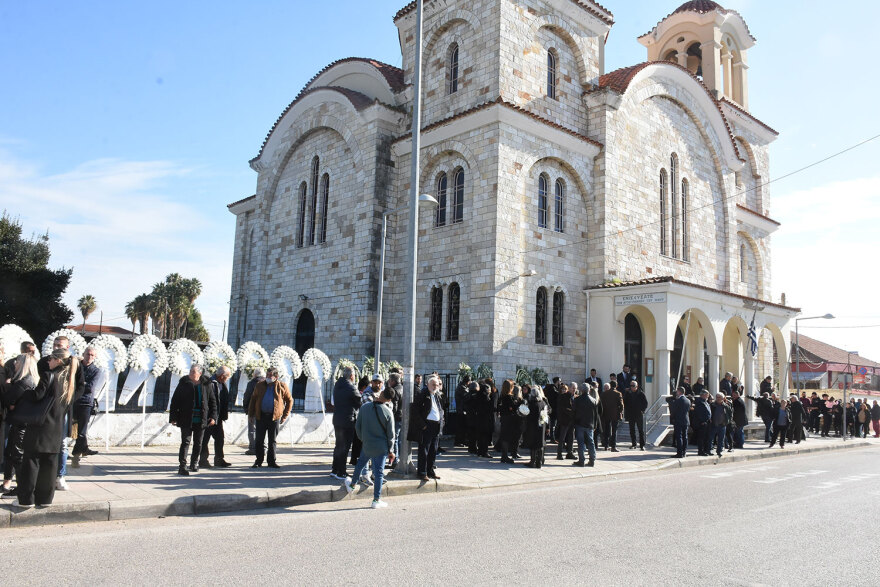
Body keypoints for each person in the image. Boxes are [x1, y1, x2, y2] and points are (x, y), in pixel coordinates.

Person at [14, 349, 79, 508]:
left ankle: (26, 500)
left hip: (40, 427)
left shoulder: (49, 376)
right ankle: (45, 499)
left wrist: (25, 392)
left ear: (58, 360)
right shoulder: (69, 380)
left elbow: (37, 395)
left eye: (50, 358)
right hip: (56, 429)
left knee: (31, 462)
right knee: (49, 465)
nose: (48, 361)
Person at [37, 335, 84, 492]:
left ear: (67, 347)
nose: (57, 347)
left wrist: (69, 400)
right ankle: (44, 475)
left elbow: (81, 386)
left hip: (63, 409)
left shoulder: (74, 363)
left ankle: (60, 476)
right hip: (46, 409)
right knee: (44, 442)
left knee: (62, 443)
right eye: (55, 344)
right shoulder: (45, 362)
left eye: (60, 345)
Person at [344, 386, 395, 509]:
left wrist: (364, 439)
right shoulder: (388, 412)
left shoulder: (364, 407)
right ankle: (376, 500)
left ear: (381, 393)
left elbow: (358, 427)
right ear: (389, 400)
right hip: (381, 447)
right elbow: (391, 435)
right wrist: (391, 450)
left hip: (367, 444)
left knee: (360, 464)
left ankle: (352, 486)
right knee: (379, 474)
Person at [1, 350, 39, 497]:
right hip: (25, 423)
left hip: (20, 424)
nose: (15, 363)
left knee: (17, 455)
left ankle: (22, 487)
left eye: (17, 361)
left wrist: (7, 386)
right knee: (13, 454)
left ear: (23, 364)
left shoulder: (22, 383)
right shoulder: (32, 381)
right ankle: (11, 484)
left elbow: (9, 402)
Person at [169, 365, 216, 475]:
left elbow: (212, 401)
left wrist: (213, 416)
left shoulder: (206, 384)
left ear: (200, 373)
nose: (190, 373)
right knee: (185, 442)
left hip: (201, 418)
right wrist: (173, 417)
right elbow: (175, 400)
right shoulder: (183, 383)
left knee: (198, 443)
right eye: (190, 371)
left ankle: (194, 463)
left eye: (193, 371)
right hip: (186, 417)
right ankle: (182, 465)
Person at [248, 367, 292, 468]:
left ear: (276, 376)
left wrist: (284, 415)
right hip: (261, 416)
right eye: (267, 375)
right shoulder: (259, 385)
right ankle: (258, 460)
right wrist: (251, 414)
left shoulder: (282, 386)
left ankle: (271, 461)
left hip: (274, 417)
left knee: (272, 440)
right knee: (259, 440)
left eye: (270, 375)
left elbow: (289, 400)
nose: (268, 377)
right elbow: (253, 399)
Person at [71, 346, 106, 467]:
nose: (89, 357)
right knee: (69, 429)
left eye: (92, 355)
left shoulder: (96, 370)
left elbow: (90, 387)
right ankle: (84, 449)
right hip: (72, 401)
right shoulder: (76, 366)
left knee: (81, 431)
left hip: (85, 402)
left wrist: (78, 384)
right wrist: (82, 384)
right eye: (88, 354)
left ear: (95, 357)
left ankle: (76, 456)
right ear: (83, 354)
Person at [330, 367, 361, 480]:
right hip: (347, 420)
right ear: (352, 376)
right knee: (345, 447)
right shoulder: (351, 387)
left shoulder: (338, 385)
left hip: (337, 419)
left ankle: (335, 469)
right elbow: (359, 402)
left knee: (338, 446)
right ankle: (341, 472)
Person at [411, 375, 443, 481]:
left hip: (436, 426)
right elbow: (415, 411)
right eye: (433, 385)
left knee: (433, 450)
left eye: (437, 385)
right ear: (428, 384)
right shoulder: (423, 394)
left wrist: (441, 422)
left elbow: (440, 409)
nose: (435, 387)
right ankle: (422, 472)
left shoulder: (437, 395)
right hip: (427, 425)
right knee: (424, 450)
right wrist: (423, 425)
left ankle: (430, 471)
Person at [199, 366, 232, 468]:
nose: (227, 379)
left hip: (219, 417)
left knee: (220, 438)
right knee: (205, 439)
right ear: (222, 376)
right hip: (209, 417)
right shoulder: (210, 383)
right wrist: (211, 415)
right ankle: (203, 460)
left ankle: (219, 459)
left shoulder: (222, 384)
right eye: (227, 377)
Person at [572, 383, 599, 467]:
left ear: (581, 390)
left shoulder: (577, 400)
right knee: (591, 442)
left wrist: (574, 423)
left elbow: (574, 412)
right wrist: (595, 425)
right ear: (589, 390)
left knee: (580, 442)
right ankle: (592, 460)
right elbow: (596, 415)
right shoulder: (593, 400)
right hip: (590, 424)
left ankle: (581, 460)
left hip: (579, 423)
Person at [522, 385, 548, 468]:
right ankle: (539, 462)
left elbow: (528, 415)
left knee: (533, 444)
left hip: (533, 426)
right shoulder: (543, 403)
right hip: (542, 425)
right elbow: (545, 415)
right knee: (540, 443)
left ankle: (532, 461)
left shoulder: (532, 403)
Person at [497, 380, 522, 463]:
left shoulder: (502, 396)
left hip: (504, 418)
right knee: (506, 437)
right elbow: (513, 407)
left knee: (504, 437)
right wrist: (518, 403)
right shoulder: (509, 397)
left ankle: (504, 456)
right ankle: (504, 456)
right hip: (509, 419)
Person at [242, 368, 265, 455]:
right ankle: (263, 448)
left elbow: (247, 396)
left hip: (253, 410)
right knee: (263, 430)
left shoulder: (251, 383)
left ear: (254, 375)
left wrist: (246, 409)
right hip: (264, 410)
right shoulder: (267, 383)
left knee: (252, 430)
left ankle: (253, 448)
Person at [623, 380, 648, 450]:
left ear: (637, 386)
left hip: (638, 414)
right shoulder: (628, 393)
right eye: (630, 386)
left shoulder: (641, 393)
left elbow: (645, 403)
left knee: (640, 430)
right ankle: (634, 444)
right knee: (632, 430)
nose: (631, 387)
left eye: (633, 386)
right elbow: (624, 402)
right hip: (631, 414)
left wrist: (642, 410)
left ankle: (642, 445)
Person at [599, 382, 624, 452]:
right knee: (614, 431)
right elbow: (621, 405)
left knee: (606, 430)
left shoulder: (604, 394)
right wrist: (620, 412)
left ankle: (606, 446)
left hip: (606, 414)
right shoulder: (618, 393)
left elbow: (601, 404)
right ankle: (613, 446)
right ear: (616, 386)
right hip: (615, 415)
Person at [555, 383, 575, 459]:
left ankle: (570, 453)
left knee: (571, 437)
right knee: (562, 438)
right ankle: (559, 453)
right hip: (565, 420)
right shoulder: (563, 396)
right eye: (573, 388)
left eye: (575, 388)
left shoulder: (575, 397)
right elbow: (562, 408)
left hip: (572, 420)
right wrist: (573, 412)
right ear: (569, 388)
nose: (574, 390)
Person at [386, 373, 403, 462]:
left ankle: (395, 460)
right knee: (399, 440)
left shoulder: (395, 390)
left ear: (393, 381)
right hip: (402, 417)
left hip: (396, 418)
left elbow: (394, 407)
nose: (388, 382)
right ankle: (398, 458)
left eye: (389, 380)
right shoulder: (403, 388)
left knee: (394, 439)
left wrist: (390, 416)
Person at [709, 392, 732, 457]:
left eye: (719, 397)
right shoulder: (712, 405)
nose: (718, 398)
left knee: (721, 439)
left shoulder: (726, 406)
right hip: (713, 424)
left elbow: (730, 415)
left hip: (722, 425)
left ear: (723, 398)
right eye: (717, 397)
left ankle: (719, 451)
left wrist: (727, 421)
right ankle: (709, 450)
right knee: (710, 438)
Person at [670, 387, 690, 458]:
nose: (676, 393)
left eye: (677, 391)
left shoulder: (678, 400)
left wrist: (672, 418)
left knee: (679, 437)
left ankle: (679, 453)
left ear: (679, 392)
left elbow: (674, 410)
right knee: (685, 437)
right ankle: (684, 452)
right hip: (686, 420)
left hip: (678, 420)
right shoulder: (688, 400)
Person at [692, 390, 711, 456]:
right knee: (701, 438)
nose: (708, 396)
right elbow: (699, 413)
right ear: (702, 395)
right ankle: (701, 451)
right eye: (707, 395)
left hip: (707, 422)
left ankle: (706, 450)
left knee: (706, 437)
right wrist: (702, 421)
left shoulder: (705, 402)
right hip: (702, 423)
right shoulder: (699, 402)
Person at [454, 374, 471, 447]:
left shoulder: (462, 387)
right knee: (460, 427)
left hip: (462, 409)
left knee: (463, 427)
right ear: (468, 381)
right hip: (461, 410)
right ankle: (458, 441)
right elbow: (467, 397)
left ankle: (463, 440)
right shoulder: (462, 388)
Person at [543, 378, 559, 442]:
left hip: (548, 409)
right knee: (553, 425)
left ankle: (547, 437)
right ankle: (552, 438)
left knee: (548, 424)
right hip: (554, 409)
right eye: (560, 381)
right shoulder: (554, 390)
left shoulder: (548, 388)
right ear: (557, 382)